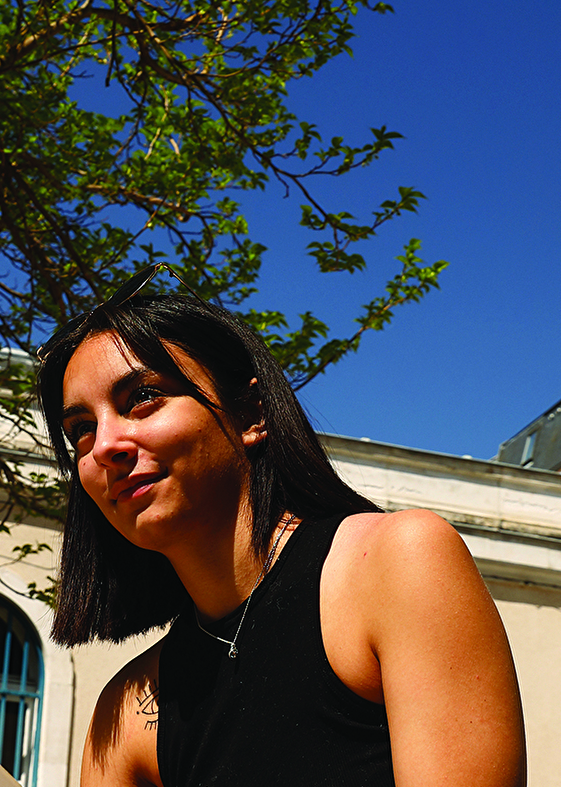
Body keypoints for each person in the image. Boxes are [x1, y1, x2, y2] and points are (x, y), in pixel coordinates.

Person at [35, 270, 526, 787]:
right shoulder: (129, 714)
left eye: (142, 397)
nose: (106, 445)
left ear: (250, 414)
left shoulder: (395, 563)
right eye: (81, 430)